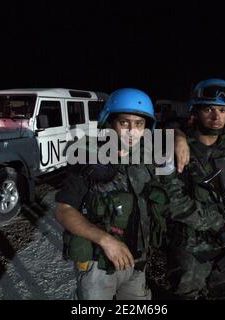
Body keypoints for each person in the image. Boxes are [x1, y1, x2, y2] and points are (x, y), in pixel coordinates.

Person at [54, 88, 191, 300]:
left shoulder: (149, 154)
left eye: (139, 124)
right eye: (124, 122)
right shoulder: (88, 156)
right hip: (98, 264)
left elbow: (172, 131)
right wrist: (106, 240)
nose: (131, 131)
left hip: (136, 262)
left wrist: (180, 137)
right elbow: (63, 211)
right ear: (109, 122)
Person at [165, 78, 225, 300]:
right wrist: (174, 135)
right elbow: (171, 203)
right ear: (195, 112)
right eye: (209, 109)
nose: (217, 117)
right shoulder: (173, 148)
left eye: (223, 110)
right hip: (191, 247)